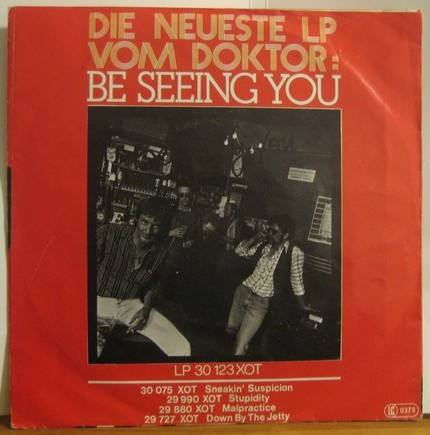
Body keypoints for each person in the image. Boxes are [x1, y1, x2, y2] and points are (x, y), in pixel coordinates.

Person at [96, 197, 191, 358]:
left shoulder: (161, 251)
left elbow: (154, 284)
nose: (148, 231)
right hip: (98, 301)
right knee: (91, 351)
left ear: (163, 229)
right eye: (144, 222)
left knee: (181, 347)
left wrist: (145, 309)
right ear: (136, 219)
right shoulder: (108, 233)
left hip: (130, 306)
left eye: (156, 226)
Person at [226, 215, 310, 356]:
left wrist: (303, 306)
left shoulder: (294, 252)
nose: (270, 233)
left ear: (286, 234)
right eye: (269, 229)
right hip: (242, 292)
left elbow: (297, 281)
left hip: (260, 302)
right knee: (230, 333)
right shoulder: (264, 245)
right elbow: (239, 251)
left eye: (274, 231)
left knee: (241, 344)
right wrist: (256, 237)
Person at [165, 183, 202, 304]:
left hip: (186, 260)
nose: (184, 198)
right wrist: (172, 232)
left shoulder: (196, 216)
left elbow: (200, 238)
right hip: (168, 257)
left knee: (180, 295)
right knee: (165, 291)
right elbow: (158, 232)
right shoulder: (170, 212)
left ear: (191, 196)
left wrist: (193, 242)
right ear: (177, 196)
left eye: (187, 195)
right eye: (181, 195)